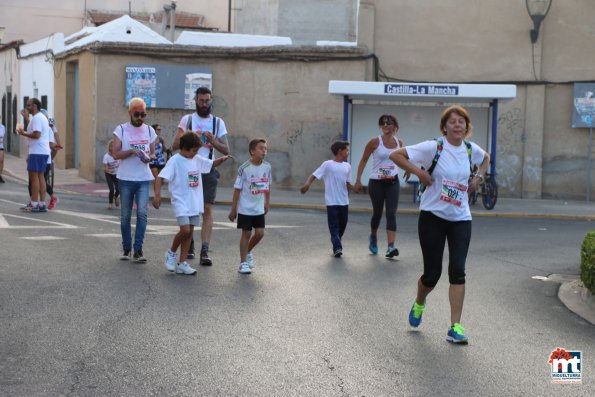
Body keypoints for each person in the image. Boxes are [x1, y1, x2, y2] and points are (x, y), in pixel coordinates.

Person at [389, 105, 490, 345]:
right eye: (452, 122)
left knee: (458, 270)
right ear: (445, 127)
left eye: (461, 121)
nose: (457, 125)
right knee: (432, 274)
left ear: (466, 126)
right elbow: (396, 156)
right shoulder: (434, 147)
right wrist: (419, 173)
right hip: (433, 216)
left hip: (461, 218)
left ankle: (454, 326)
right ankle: (420, 302)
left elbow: (486, 158)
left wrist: (479, 177)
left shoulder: (469, 149)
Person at [153, 132, 230, 275]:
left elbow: (210, 164)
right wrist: (157, 196)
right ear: (185, 148)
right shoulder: (175, 161)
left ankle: (182, 263)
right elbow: (160, 178)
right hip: (180, 201)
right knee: (185, 230)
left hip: (194, 202)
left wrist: (222, 159)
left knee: (190, 234)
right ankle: (171, 253)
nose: (196, 153)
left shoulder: (196, 159)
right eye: (194, 150)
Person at [172, 86, 230, 265]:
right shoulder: (187, 120)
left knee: (207, 209)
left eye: (207, 101)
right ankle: (189, 244)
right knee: (190, 209)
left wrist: (213, 141)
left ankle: (205, 250)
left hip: (209, 169)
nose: (204, 104)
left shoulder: (218, 122)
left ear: (211, 101)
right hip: (189, 170)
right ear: (196, 101)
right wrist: (191, 137)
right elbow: (174, 145)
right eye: (201, 101)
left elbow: (226, 149)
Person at [112, 97, 157, 262]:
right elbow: (115, 153)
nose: (140, 118)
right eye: (137, 114)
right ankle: (126, 248)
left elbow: (153, 153)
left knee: (142, 214)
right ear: (130, 113)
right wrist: (131, 151)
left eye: (143, 114)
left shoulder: (150, 131)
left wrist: (149, 158)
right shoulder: (121, 130)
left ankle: (138, 250)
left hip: (143, 178)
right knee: (125, 216)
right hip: (125, 178)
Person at [354, 114, 404, 258]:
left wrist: (408, 169)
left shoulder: (399, 142)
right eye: (383, 124)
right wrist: (358, 180)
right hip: (376, 183)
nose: (386, 126)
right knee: (377, 213)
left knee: (391, 213)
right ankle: (373, 236)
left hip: (393, 182)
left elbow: (404, 158)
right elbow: (363, 160)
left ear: (395, 126)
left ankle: (390, 247)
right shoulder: (375, 142)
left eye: (389, 123)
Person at [300, 141, 353, 257]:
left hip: (344, 201)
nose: (348, 152)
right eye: (347, 150)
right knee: (334, 225)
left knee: (343, 224)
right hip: (332, 202)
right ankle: (337, 246)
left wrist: (356, 188)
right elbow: (314, 175)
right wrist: (307, 184)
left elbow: (348, 183)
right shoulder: (328, 164)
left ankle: (336, 239)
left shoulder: (347, 167)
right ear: (340, 151)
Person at [228, 138, 271, 274]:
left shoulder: (267, 167)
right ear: (252, 151)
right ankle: (243, 263)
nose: (264, 151)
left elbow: (267, 186)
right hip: (245, 208)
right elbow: (237, 189)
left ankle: (248, 251)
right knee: (246, 233)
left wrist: (267, 203)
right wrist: (233, 209)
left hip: (258, 207)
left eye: (265, 148)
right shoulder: (244, 168)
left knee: (260, 233)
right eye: (260, 148)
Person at [15, 98, 51, 212]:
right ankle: (41, 203)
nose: (27, 107)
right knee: (41, 176)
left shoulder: (37, 118)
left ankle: (34, 204)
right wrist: (26, 118)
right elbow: (34, 128)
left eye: (29, 105)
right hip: (42, 151)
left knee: (34, 177)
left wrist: (23, 133)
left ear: (35, 106)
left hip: (37, 151)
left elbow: (36, 135)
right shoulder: (40, 117)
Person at [103, 139, 120, 210]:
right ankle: (110, 203)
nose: (114, 147)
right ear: (109, 148)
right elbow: (104, 168)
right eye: (112, 146)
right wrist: (108, 169)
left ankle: (115, 197)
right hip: (109, 174)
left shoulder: (119, 155)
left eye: (115, 146)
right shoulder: (106, 156)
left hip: (116, 174)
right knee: (112, 189)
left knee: (119, 189)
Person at [0, 117, 5, 183]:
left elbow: (2, 136)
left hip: (1, 146)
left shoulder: (2, 127)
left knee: (1, 160)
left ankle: (0, 175)